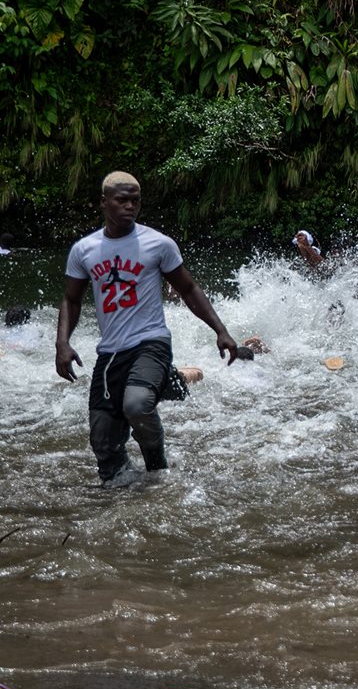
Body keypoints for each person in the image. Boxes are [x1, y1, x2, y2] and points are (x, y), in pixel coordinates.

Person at [55, 171, 246, 487]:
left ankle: (158, 471)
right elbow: (71, 300)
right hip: (111, 353)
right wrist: (62, 343)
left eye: (135, 200)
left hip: (151, 343)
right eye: (122, 200)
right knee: (103, 440)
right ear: (104, 203)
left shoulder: (158, 244)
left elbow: (188, 289)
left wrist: (220, 330)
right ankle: (122, 487)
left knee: (136, 405)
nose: (130, 206)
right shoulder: (84, 250)